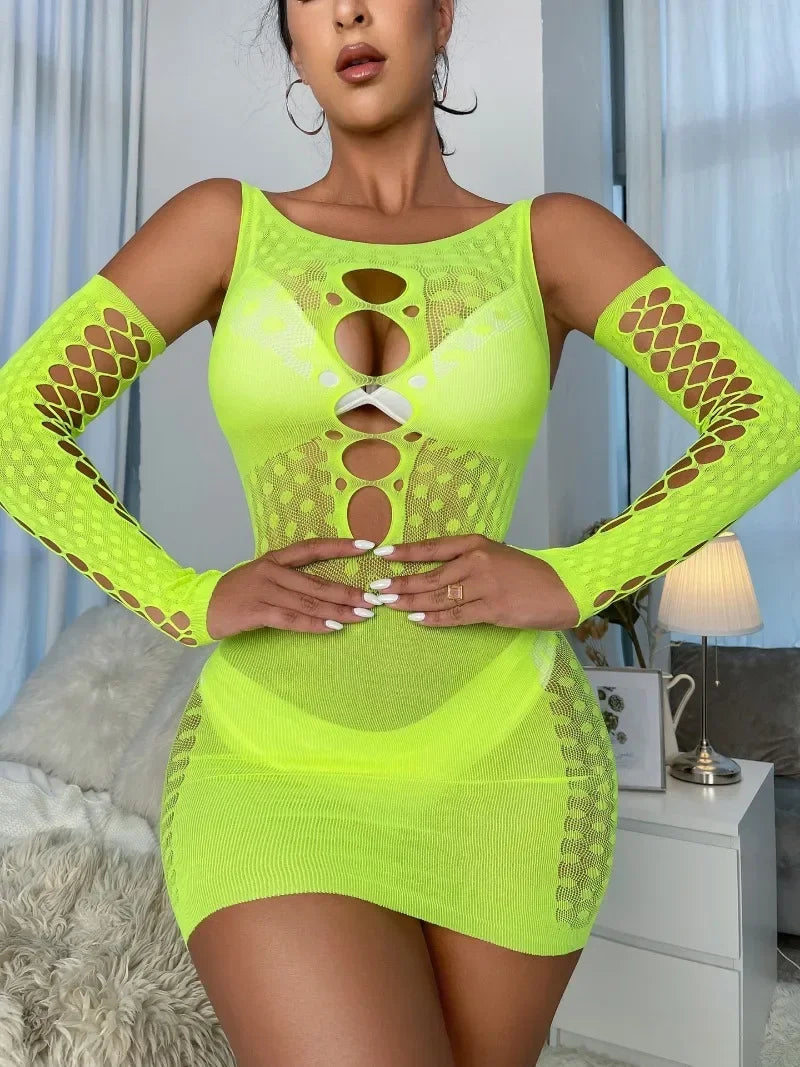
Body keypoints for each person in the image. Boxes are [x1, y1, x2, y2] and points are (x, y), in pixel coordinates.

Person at [1, 1, 799, 1064]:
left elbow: (761, 418)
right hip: (268, 758)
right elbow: (20, 425)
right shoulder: (222, 227)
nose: (347, 11)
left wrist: (575, 577)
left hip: (508, 759)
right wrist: (184, 595)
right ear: (294, 41)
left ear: (441, 16)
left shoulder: (549, 239)